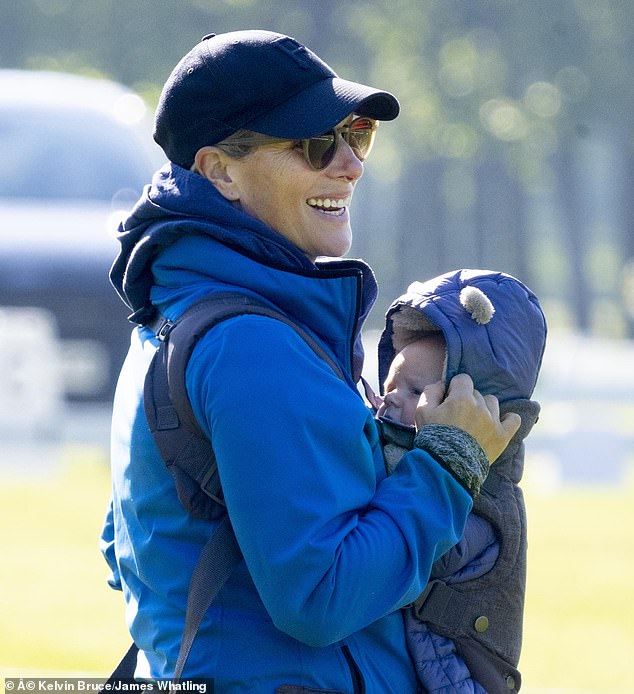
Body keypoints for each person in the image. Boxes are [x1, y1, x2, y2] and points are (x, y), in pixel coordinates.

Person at [100, 30, 520, 691]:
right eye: (315, 144)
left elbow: (126, 546)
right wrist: (450, 462)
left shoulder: (174, 311)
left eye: (356, 134)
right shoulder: (251, 345)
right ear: (220, 171)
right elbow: (322, 599)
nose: (350, 164)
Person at [374, 269, 547, 694]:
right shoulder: (406, 455)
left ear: (471, 406)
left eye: (414, 390)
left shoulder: (484, 500)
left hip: (459, 677)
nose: (390, 398)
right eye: (389, 383)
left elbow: (413, 556)